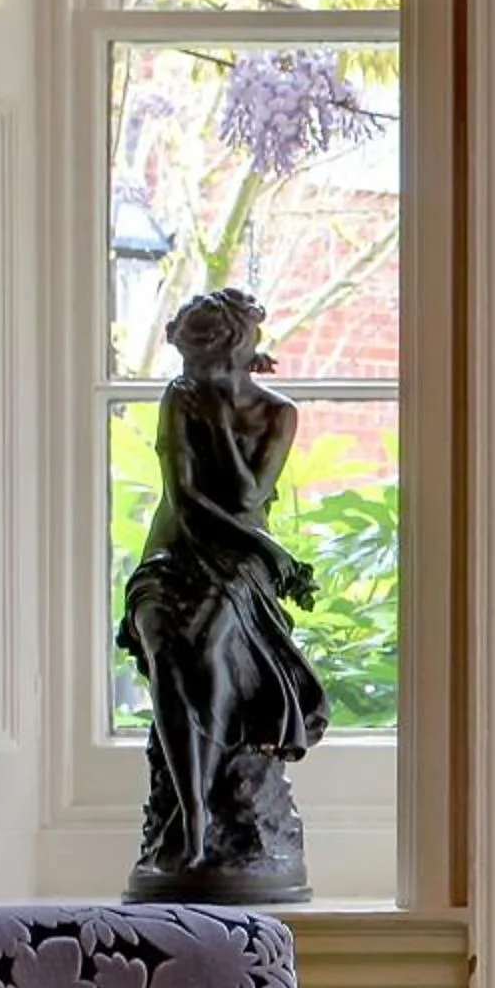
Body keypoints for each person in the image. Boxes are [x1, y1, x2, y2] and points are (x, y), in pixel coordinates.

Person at [116, 287, 328, 881]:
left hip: (239, 556)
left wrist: (223, 411)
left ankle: (203, 818)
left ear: (233, 353)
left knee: (209, 646)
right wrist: (272, 545)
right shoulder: (180, 399)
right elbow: (185, 499)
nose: (188, 373)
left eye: (200, 360)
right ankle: (190, 823)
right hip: (176, 550)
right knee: (163, 640)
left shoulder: (276, 413)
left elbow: (245, 498)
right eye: (185, 361)